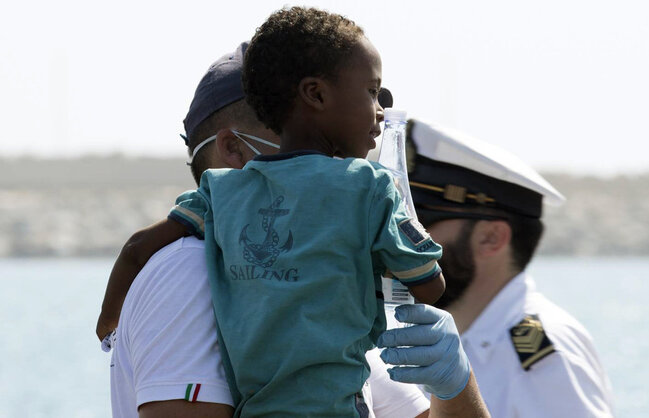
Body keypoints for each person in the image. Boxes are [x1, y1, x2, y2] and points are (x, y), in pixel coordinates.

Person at [106, 38, 488, 417]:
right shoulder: (188, 272)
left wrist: (455, 385)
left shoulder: (310, 299)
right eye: (316, 153)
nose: (337, 167)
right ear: (234, 150)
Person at [400, 120, 616, 417]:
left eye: (421, 225)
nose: (404, 242)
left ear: (491, 238)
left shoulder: (543, 352)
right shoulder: (452, 340)